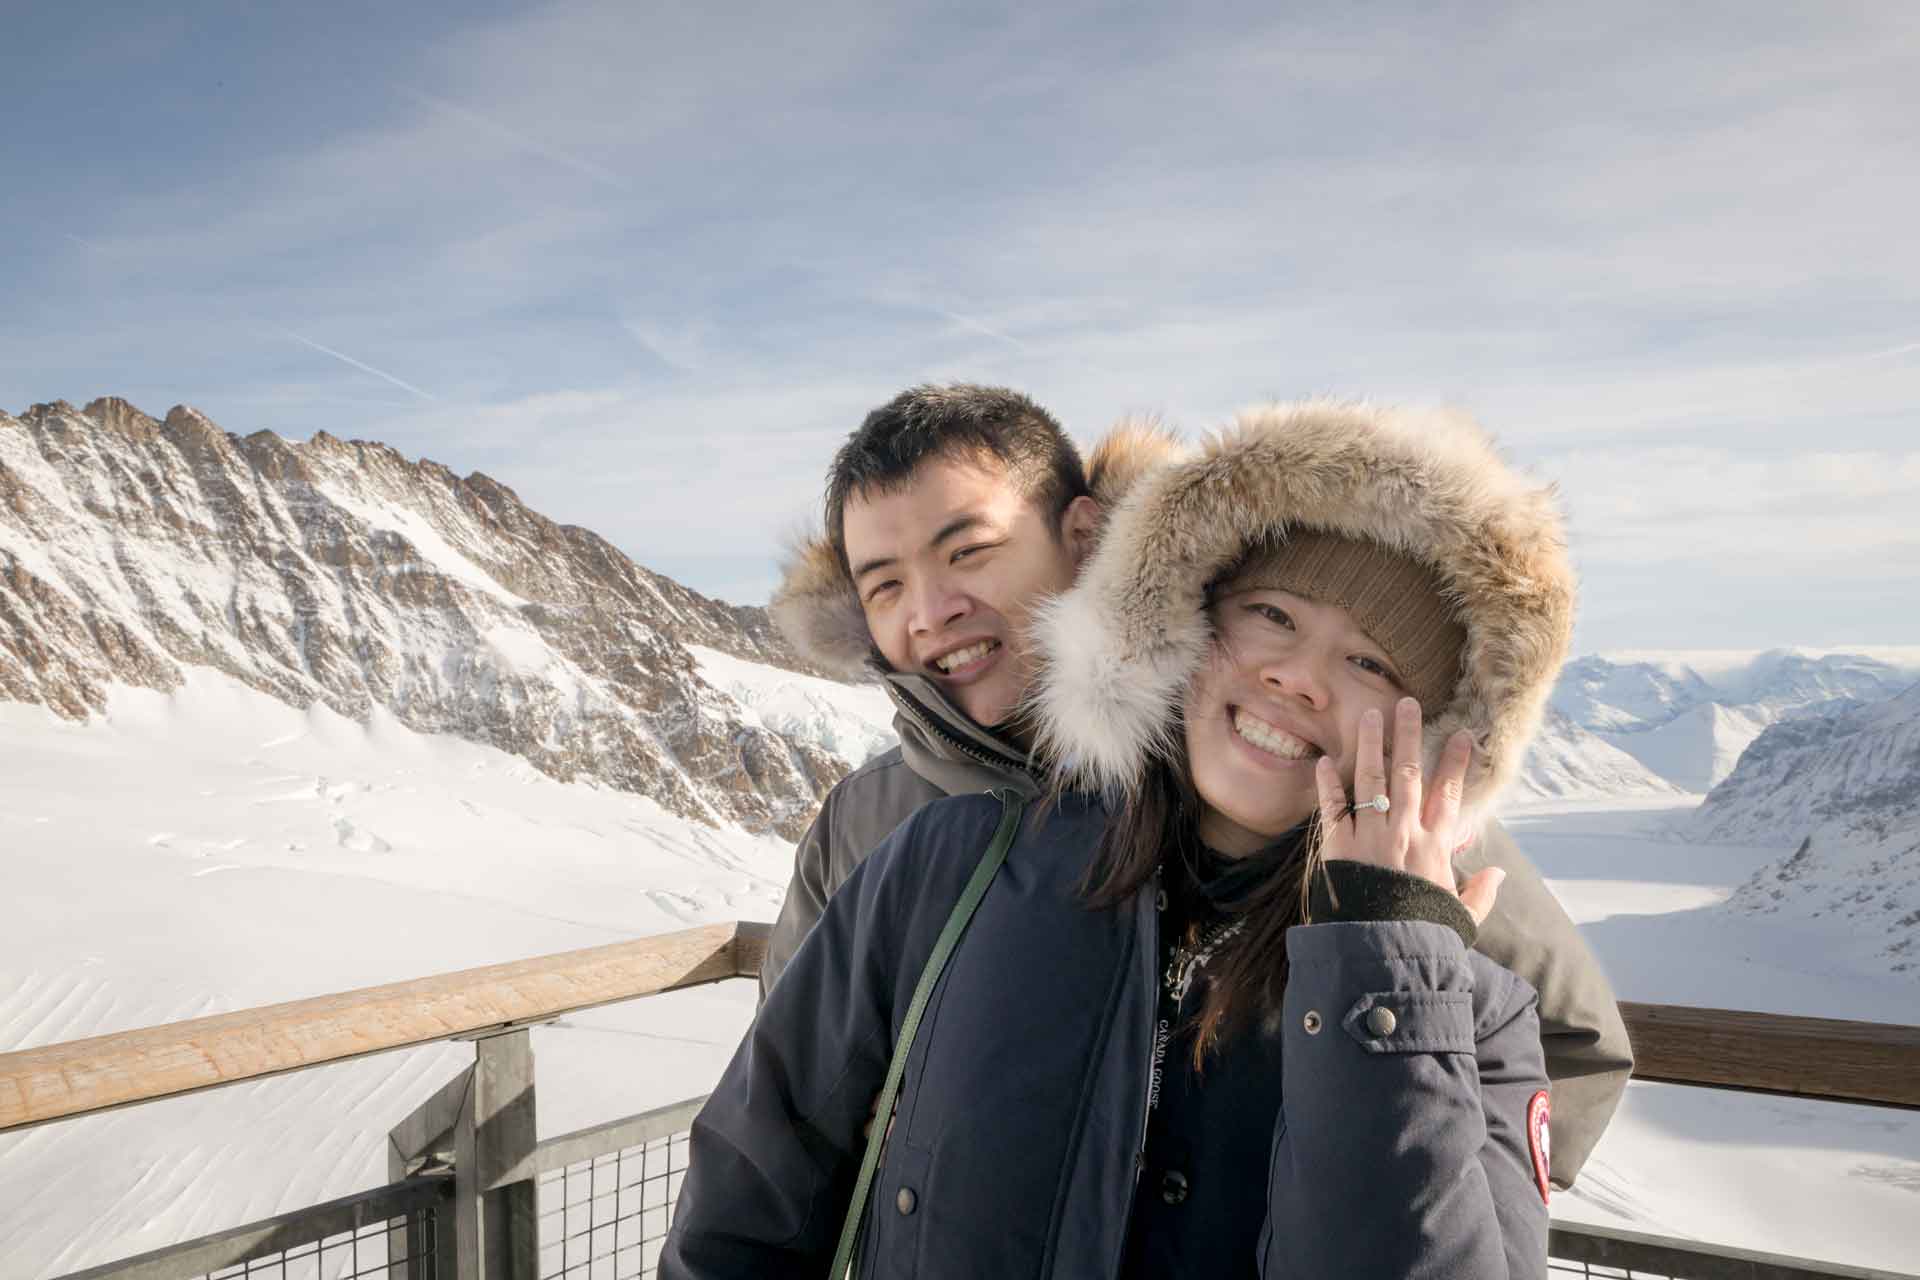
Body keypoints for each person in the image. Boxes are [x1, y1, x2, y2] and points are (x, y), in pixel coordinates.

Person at [663, 400, 1574, 1278]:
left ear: (1438, 741)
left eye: (1371, 661)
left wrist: (1386, 972)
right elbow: (755, 1189)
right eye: (1273, 617)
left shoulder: (1470, 1012)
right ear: (1175, 624)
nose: (1296, 677)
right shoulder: (947, 861)